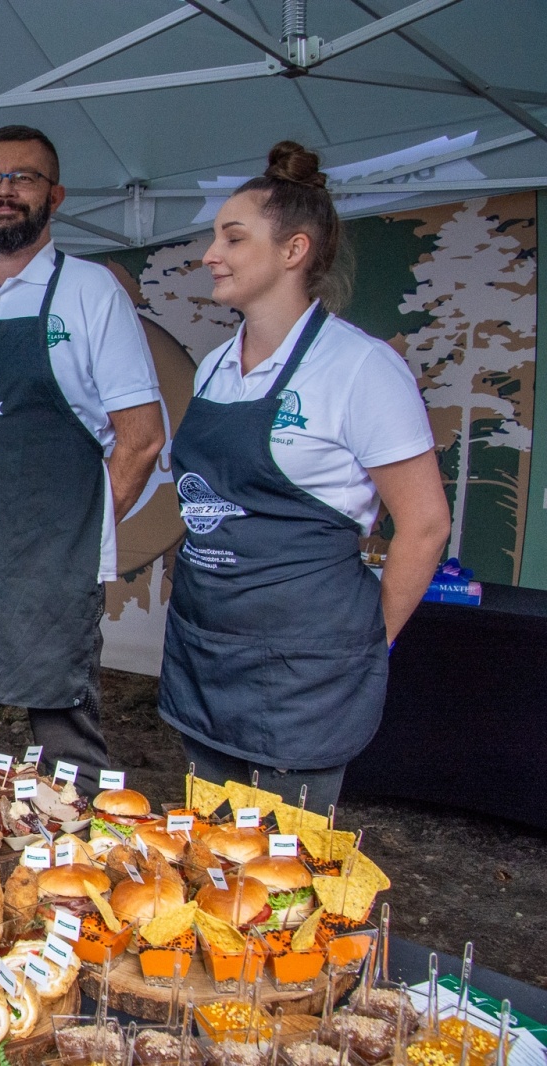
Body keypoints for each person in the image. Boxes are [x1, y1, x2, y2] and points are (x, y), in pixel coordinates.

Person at [157, 141, 450, 813]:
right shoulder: (214, 367)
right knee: (207, 857)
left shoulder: (360, 369)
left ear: (293, 251)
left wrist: (365, 644)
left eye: (233, 237)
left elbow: (426, 525)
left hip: (301, 679)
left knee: (283, 884)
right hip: (207, 655)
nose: (210, 252)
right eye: (213, 236)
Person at [0, 125, 166, 787]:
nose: (4, 192)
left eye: (22, 178)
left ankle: (67, 878)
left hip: (51, 552)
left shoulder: (91, 292)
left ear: (54, 195)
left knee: (65, 737)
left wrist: (81, 537)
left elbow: (141, 437)